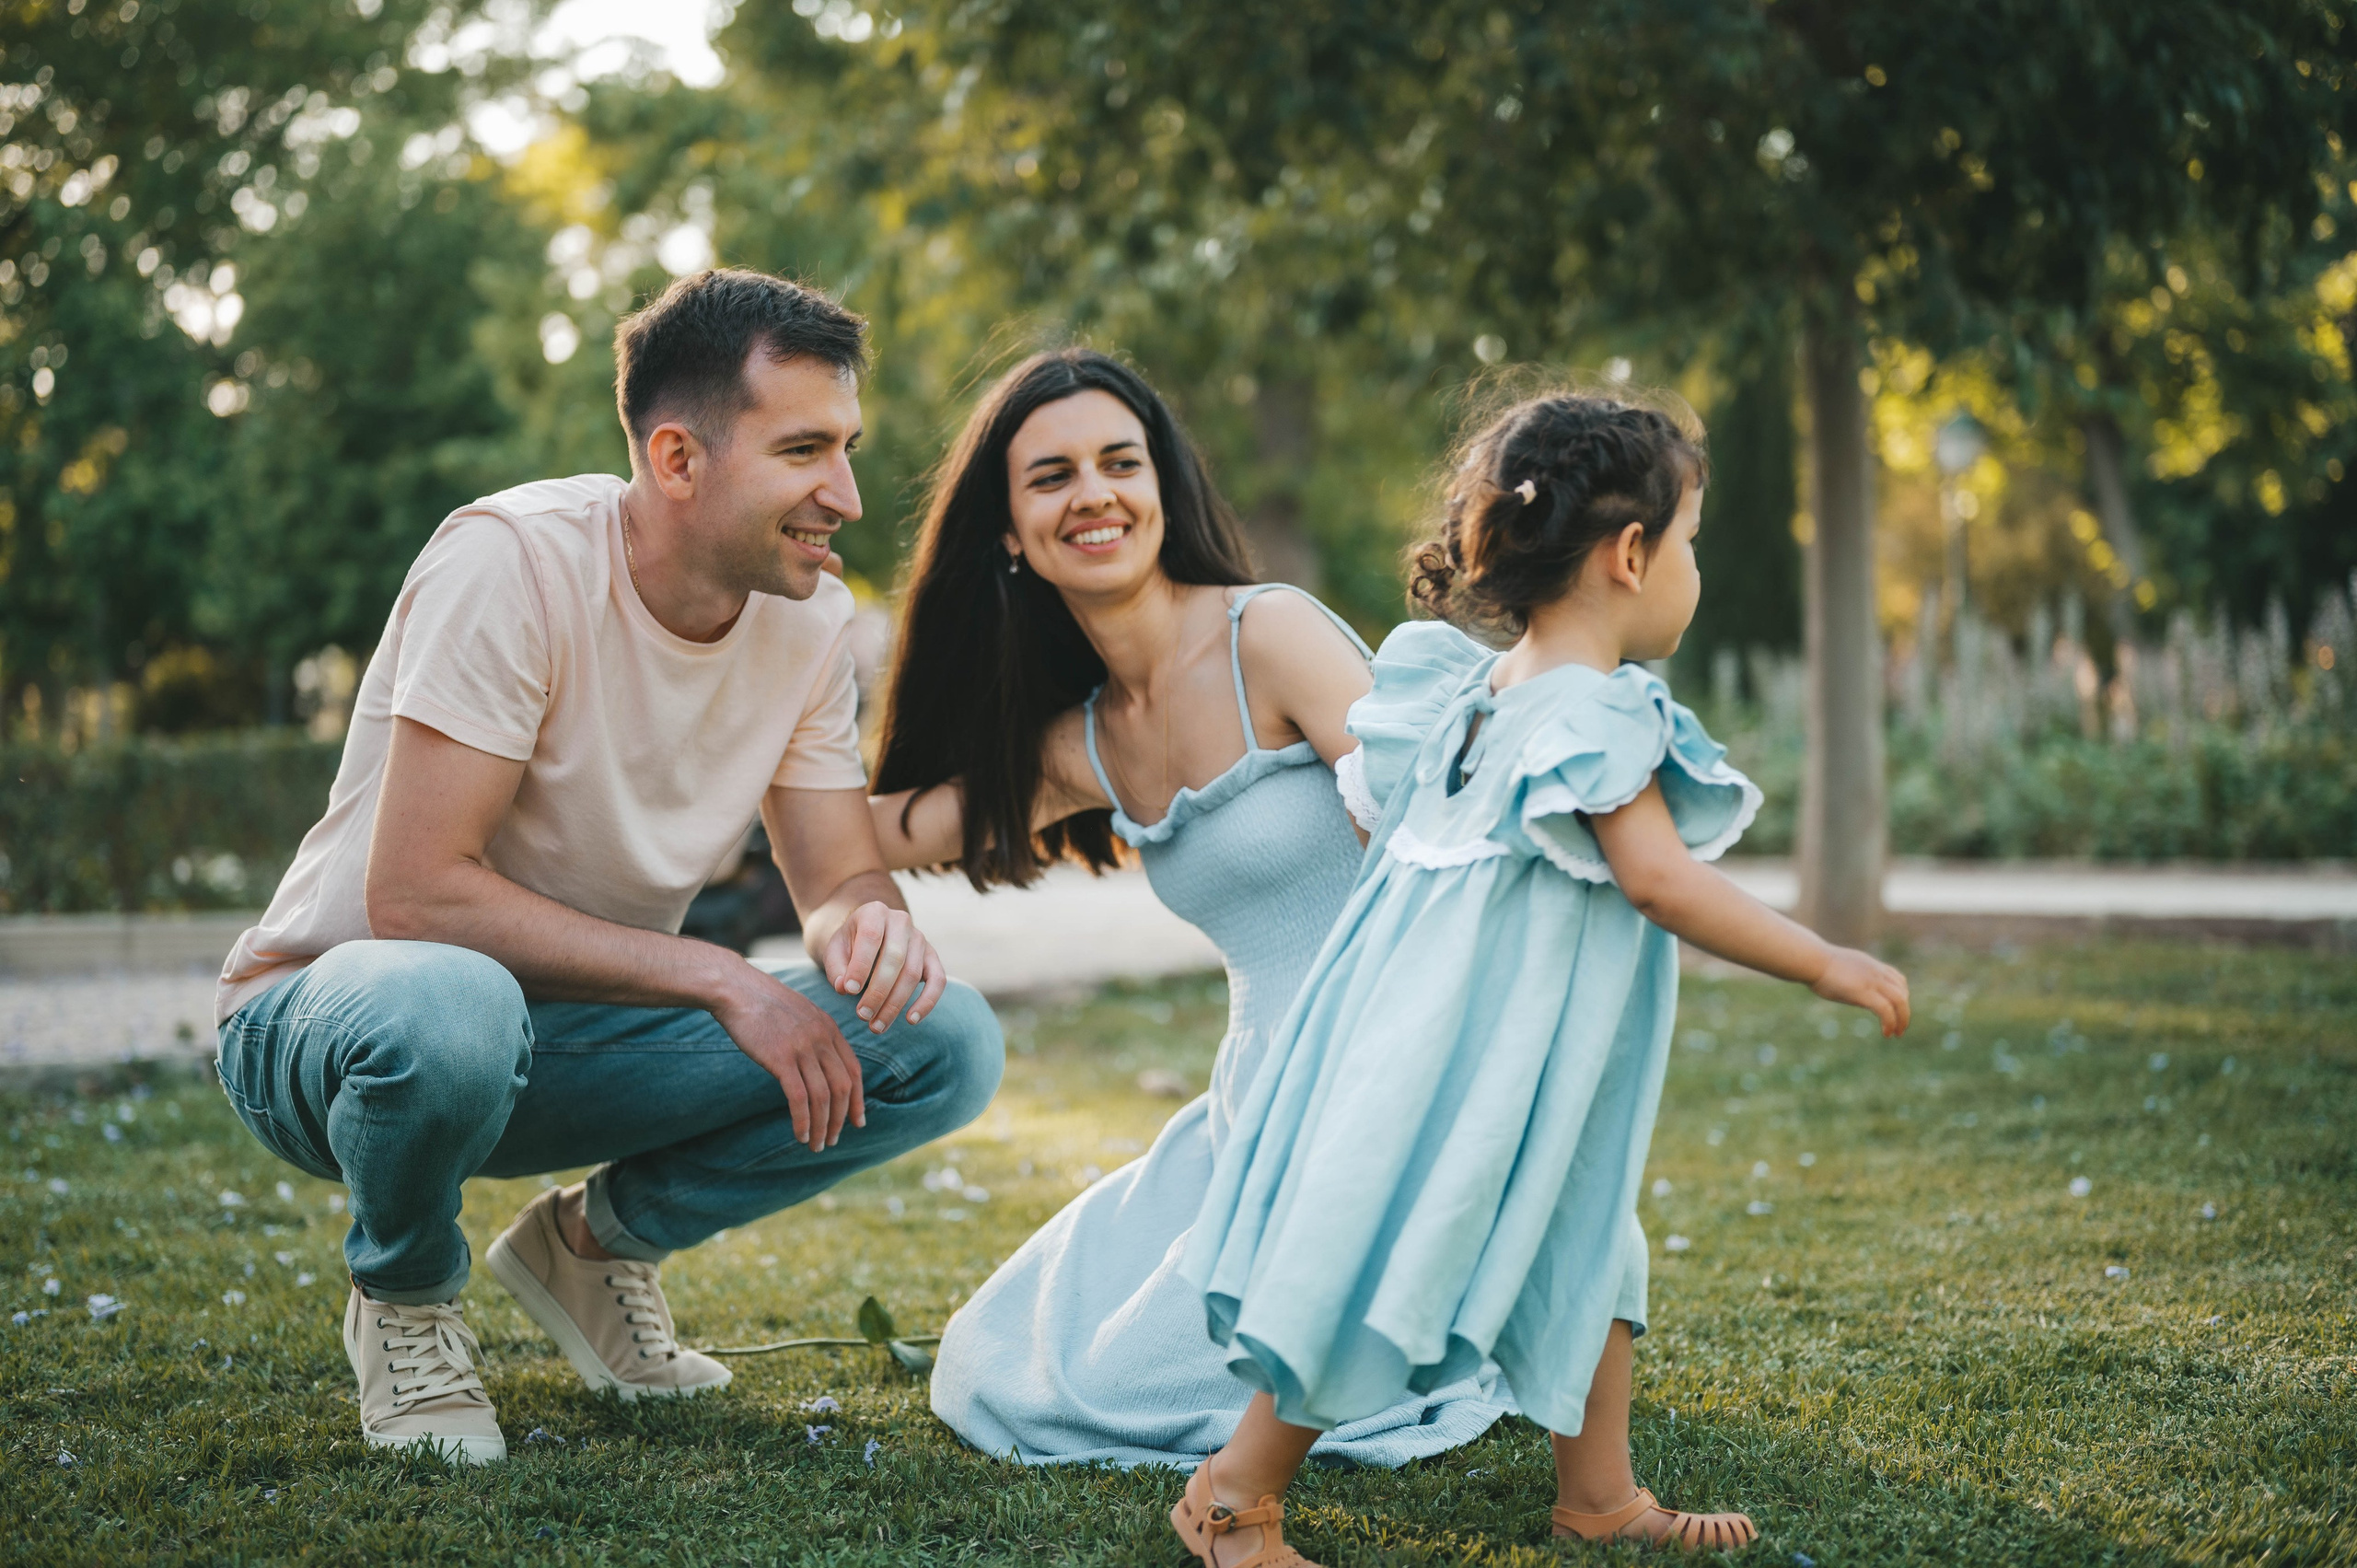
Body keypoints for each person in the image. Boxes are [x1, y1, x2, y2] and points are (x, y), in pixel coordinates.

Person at [211, 269, 1004, 1466]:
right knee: (452, 998)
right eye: (803, 451)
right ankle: (407, 1296)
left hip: (568, 1041)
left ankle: (587, 1249)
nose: (843, 492)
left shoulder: (807, 620)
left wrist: (865, 929)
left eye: (845, 446)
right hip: (336, 1028)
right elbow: (419, 894)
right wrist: (721, 975)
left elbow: (841, 874)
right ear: (678, 458)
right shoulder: (510, 563)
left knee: (943, 1037)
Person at [1168, 389, 1912, 1564]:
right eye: (1692, 541)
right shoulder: (1595, 714)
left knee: (1592, 1230)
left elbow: (1403, 845)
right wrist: (1823, 958)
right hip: (1469, 1062)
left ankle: (1601, 1494)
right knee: (1381, 1247)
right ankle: (1229, 1495)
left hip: (1483, 1048)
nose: (1693, 565)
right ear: (1629, 554)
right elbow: (1661, 882)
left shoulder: (1463, 695)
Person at [866, 347, 1510, 1467]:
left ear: (1161, 488)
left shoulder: (1270, 635)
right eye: (1053, 475)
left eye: (1122, 461)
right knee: (1002, 1357)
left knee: (1133, 1381)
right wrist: (755, 697)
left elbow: (1434, 856)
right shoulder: (1085, 740)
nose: (1096, 493)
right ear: (1009, 532)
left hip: (1383, 1084)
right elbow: (876, 829)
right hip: (1249, 1108)